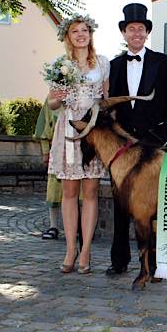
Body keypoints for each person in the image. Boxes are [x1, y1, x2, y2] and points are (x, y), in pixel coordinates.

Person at [105, 2, 167, 277]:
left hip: (157, 142)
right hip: (125, 147)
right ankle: (119, 260)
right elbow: (109, 105)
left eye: (141, 29)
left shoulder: (163, 62)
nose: (136, 33)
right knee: (120, 203)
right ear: (124, 33)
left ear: (147, 32)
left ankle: (156, 262)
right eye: (131, 29)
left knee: (158, 204)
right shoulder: (114, 65)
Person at [47, 14, 109, 274]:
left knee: (91, 192)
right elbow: (51, 103)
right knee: (70, 193)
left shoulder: (103, 63)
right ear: (68, 37)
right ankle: (70, 249)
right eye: (75, 31)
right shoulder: (60, 64)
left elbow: (107, 98)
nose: (81, 34)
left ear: (90, 34)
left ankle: (86, 250)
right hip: (69, 129)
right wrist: (57, 97)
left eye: (85, 30)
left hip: (92, 131)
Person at [33, 97, 62, 240]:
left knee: (80, 189)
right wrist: (45, 151)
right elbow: (44, 126)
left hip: (77, 148)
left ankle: (80, 227)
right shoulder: (51, 98)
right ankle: (53, 226)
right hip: (56, 148)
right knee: (54, 188)